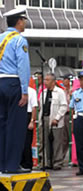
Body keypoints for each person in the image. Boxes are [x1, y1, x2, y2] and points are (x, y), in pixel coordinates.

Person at [0, 8, 31, 174]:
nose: (24, 23)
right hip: (13, 83)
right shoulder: (20, 40)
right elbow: (23, 67)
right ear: (19, 21)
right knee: (16, 126)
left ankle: (2, 164)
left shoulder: (0, 39)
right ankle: (12, 165)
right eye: (23, 20)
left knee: (2, 125)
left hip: (0, 82)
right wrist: (24, 91)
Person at [39, 73, 67, 170]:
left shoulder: (60, 92)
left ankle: (57, 162)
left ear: (53, 81)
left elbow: (64, 106)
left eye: (47, 80)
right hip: (45, 118)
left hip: (56, 120)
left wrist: (57, 117)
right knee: (45, 142)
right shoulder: (43, 92)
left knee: (57, 142)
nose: (45, 82)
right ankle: (47, 162)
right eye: (45, 80)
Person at [21, 86, 38, 170]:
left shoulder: (31, 91)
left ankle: (27, 164)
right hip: (18, 115)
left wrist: (32, 121)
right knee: (18, 142)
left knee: (27, 142)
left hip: (28, 115)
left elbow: (34, 107)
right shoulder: (16, 90)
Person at [62, 74, 72, 161]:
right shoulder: (63, 91)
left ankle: (73, 157)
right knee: (64, 137)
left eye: (65, 79)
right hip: (64, 115)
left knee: (72, 136)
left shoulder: (73, 91)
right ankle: (62, 156)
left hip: (71, 115)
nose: (63, 81)